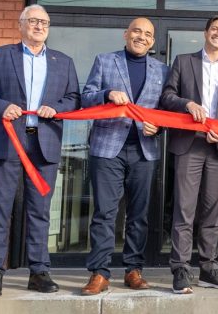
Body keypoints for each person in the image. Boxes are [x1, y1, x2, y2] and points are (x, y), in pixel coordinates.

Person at [0, 4, 79, 298]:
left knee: (40, 212)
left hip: (44, 144)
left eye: (44, 22)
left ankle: (39, 271)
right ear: (21, 25)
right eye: (33, 21)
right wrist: (1, 106)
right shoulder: (0, 55)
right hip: (6, 142)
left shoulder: (63, 61)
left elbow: (74, 98)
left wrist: (56, 109)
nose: (39, 26)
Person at [79, 18, 169, 295]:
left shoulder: (163, 70)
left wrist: (159, 126)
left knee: (139, 214)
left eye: (147, 34)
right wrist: (106, 94)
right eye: (137, 31)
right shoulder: (105, 61)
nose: (141, 37)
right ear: (126, 34)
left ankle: (133, 270)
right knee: (105, 213)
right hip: (107, 148)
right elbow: (86, 97)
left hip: (144, 149)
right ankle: (99, 273)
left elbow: (166, 110)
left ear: (153, 42)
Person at [160, 15, 218, 294]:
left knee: (212, 212)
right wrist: (186, 104)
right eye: (214, 29)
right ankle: (181, 269)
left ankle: (208, 268)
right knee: (184, 211)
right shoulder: (184, 62)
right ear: (205, 33)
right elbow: (167, 96)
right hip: (189, 144)